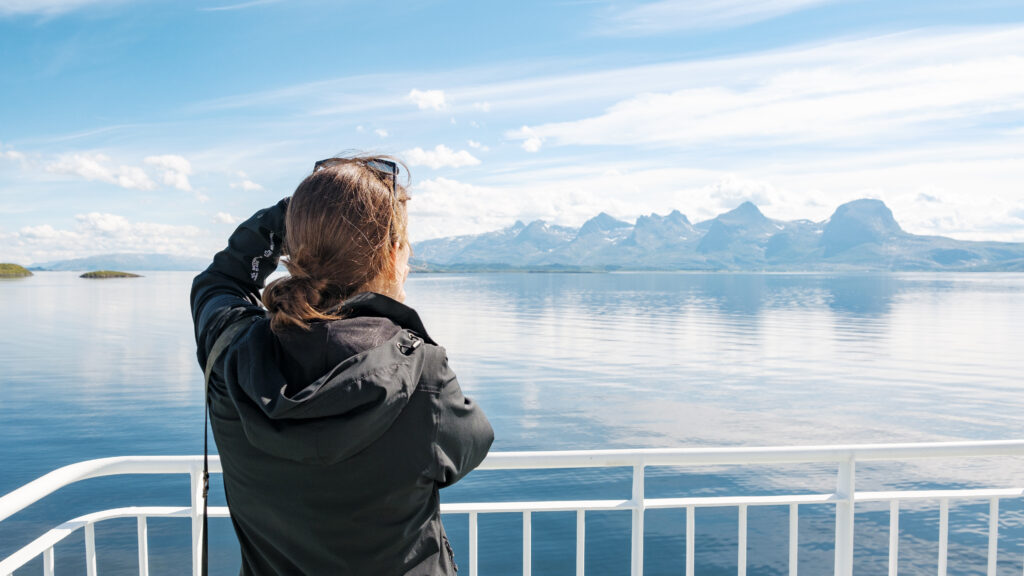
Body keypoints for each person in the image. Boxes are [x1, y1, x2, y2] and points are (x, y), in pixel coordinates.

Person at [190, 155, 494, 575]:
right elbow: (471, 444)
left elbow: (219, 281)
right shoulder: (423, 376)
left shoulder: (230, 354)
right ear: (391, 255)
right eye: (405, 248)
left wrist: (294, 212)